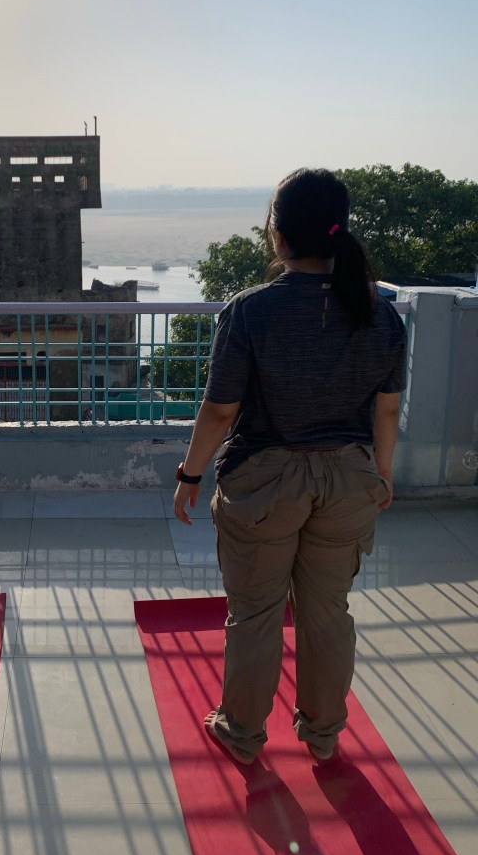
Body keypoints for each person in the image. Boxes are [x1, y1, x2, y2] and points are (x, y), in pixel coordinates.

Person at [173, 168, 406, 765]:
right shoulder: (381, 313)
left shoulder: (252, 311)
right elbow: (386, 411)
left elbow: (222, 410)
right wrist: (381, 475)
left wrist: (191, 474)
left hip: (266, 483)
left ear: (278, 234)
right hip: (349, 479)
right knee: (328, 612)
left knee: (255, 613)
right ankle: (324, 734)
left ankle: (244, 733)